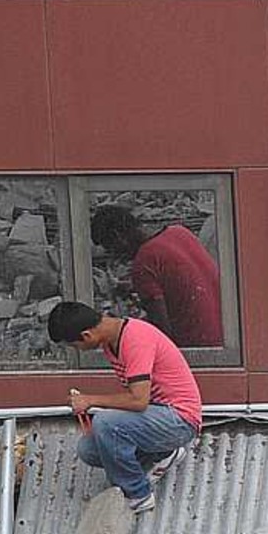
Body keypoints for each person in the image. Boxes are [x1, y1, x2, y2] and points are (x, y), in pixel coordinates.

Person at [47, 301, 201, 513]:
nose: (78, 350)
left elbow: (138, 401)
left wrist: (90, 400)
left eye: (75, 346)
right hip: (159, 416)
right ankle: (163, 454)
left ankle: (138, 494)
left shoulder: (135, 340)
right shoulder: (111, 340)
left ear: (86, 335)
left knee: (105, 423)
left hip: (179, 421)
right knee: (89, 450)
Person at [90, 205, 225, 348]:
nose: (115, 256)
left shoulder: (144, 262)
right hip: (225, 336)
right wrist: (134, 288)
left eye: (111, 249)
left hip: (197, 349)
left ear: (118, 236)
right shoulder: (179, 232)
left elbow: (161, 333)